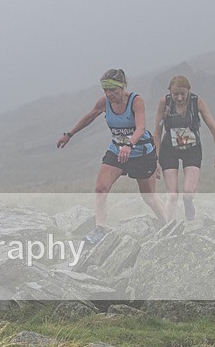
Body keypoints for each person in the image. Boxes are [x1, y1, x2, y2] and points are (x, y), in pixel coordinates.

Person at [57, 69, 166, 244]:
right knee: (101, 188)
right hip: (117, 150)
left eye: (113, 90)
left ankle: (167, 226)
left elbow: (140, 127)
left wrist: (129, 145)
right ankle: (100, 230)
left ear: (123, 88)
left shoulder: (135, 101)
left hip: (141, 152)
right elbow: (89, 117)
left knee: (149, 197)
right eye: (106, 90)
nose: (109, 94)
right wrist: (69, 134)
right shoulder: (104, 102)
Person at [153, 75, 215, 221]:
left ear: (188, 91)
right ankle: (169, 227)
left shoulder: (196, 101)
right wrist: (156, 159)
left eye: (183, 94)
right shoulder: (164, 102)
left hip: (192, 149)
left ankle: (188, 203)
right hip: (169, 150)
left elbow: (214, 127)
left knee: (189, 192)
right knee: (172, 195)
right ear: (170, 92)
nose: (179, 98)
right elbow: (157, 132)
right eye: (175, 94)